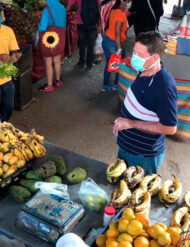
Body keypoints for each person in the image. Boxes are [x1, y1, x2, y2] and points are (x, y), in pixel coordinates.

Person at [113, 31, 178, 175]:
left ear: (155, 57)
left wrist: (131, 123)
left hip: (143, 155)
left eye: (139, 55)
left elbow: (170, 128)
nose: (134, 58)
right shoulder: (144, 70)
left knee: (137, 192)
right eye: (134, 52)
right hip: (126, 145)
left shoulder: (164, 87)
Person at [38, 0, 66, 92]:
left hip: (49, 39)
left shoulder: (47, 10)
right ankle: (58, 81)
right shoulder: (62, 7)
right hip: (60, 38)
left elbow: (42, 27)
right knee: (57, 61)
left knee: (48, 63)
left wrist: (39, 28)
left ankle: (49, 85)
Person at [102, 0, 127, 92]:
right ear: (120, 4)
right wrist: (119, 48)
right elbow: (117, 33)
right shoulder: (120, 15)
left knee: (114, 62)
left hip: (107, 40)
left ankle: (109, 84)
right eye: (125, 2)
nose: (126, 4)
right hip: (114, 43)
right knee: (116, 63)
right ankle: (112, 85)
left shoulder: (113, 11)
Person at [68, 0, 100, 70]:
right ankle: (89, 64)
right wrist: (99, 23)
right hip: (93, 23)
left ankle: (81, 63)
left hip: (81, 23)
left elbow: (69, 5)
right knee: (91, 45)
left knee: (82, 44)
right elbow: (99, 6)